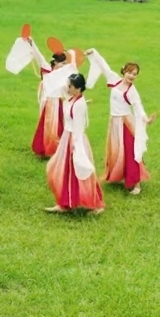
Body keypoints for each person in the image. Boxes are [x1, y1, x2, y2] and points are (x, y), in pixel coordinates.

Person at [89, 52, 152, 194]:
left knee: (130, 151)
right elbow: (104, 67)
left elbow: (138, 106)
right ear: (124, 71)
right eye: (130, 72)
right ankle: (119, 175)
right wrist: (94, 53)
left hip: (125, 123)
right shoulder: (115, 80)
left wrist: (146, 119)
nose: (131, 76)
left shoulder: (132, 91)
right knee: (117, 151)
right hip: (114, 122)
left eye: (135, 74)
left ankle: (136, 185)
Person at [44, 73, 104, 214]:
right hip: (67, 137)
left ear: (78, 89)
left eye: (70, 85)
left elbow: (78, 128)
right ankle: (64, 203)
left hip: (75, 140)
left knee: (82, 170)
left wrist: (76, 147)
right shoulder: (72, 98)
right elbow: (56, 88)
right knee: (65, 170)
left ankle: (96, 203)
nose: (67, 87)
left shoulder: (78, 105)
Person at [29, 48, 73, 158]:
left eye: (65, 63)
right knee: (47, 126)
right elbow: (39, 58)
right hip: (49, 103)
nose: (64, 66)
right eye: (62, 63)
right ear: (55, 63)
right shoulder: (48, 71)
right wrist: (31, 44)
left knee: (58, 127)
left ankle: (56, 149)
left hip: (58, 103)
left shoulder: (63, 75)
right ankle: (45, 149)